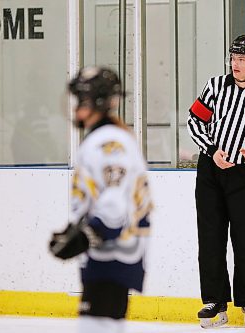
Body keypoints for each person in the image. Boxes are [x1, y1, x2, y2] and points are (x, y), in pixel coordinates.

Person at [187, 34, 245, 328]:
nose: (235, 63)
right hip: (211, 171)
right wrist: (212, 151)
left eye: (242, 59)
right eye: (233, 58)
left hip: (243, 174)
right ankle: (214, 300)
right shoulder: (215, 86)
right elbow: (194, 120)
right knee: (211, 236)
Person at [49, 66, 153, 333]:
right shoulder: (111, 138)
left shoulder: (108, 141)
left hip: (112, 255)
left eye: (80, 101)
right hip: (112, 255)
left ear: (95, 102)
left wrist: (87, 235)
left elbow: (116, 203)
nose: (74, 108)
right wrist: (79, 231)